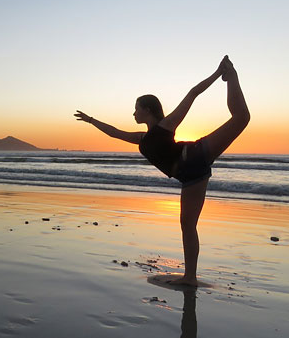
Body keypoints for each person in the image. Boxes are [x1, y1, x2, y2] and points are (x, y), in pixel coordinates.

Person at [74, 55, 250, 286]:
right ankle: (190, 277)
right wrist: (90, 120)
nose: (133, 113)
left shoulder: (166, 125)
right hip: (190, 176)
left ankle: (231, 75)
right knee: (187, 225)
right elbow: (113, 132)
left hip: (196, 155)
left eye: (136, 109)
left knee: (241, 118)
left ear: (147, 109)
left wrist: (218, 74)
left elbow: (192, 93)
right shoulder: (142, 138)